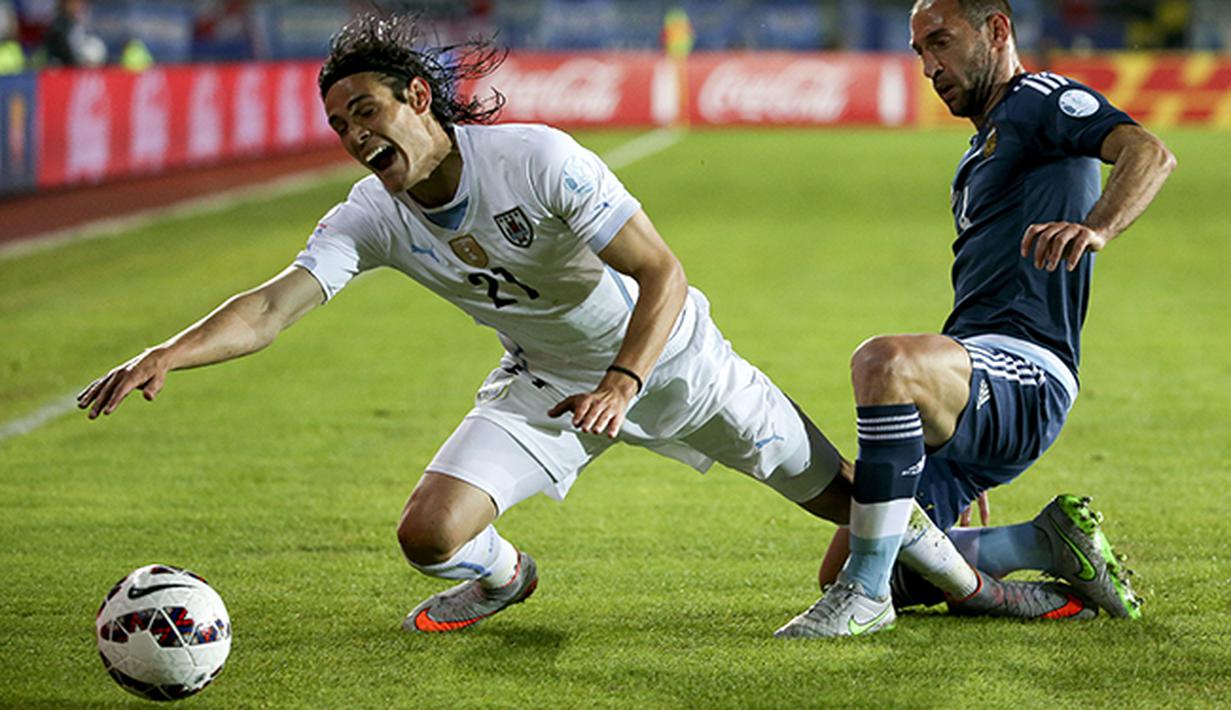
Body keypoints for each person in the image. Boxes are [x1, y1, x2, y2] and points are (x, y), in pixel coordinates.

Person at [79, 11, 1091, 637]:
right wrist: (169, 349)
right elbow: (270, 303)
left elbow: (660, 272)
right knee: (427, 535)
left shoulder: (536, 159)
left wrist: (625, 379)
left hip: (681, 367)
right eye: (340, 125)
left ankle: (987, 576)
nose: (353, 137)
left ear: (418, 99)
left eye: (365, 113)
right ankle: (508, 576)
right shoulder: (371, 216)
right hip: (546, 386)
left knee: (852, 505)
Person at [776, 0, 1175, 638]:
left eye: (941, 42)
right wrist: (948, 417)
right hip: (978, 375)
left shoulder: (1039, 99)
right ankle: (1039, 543)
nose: (930, 66)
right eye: (920, 53)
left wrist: (1097, 229)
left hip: (1026, 371)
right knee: (865, 556)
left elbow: (1148, 152)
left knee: (885, 363)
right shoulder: (980, 150)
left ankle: (863, 598)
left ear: (996, 30)